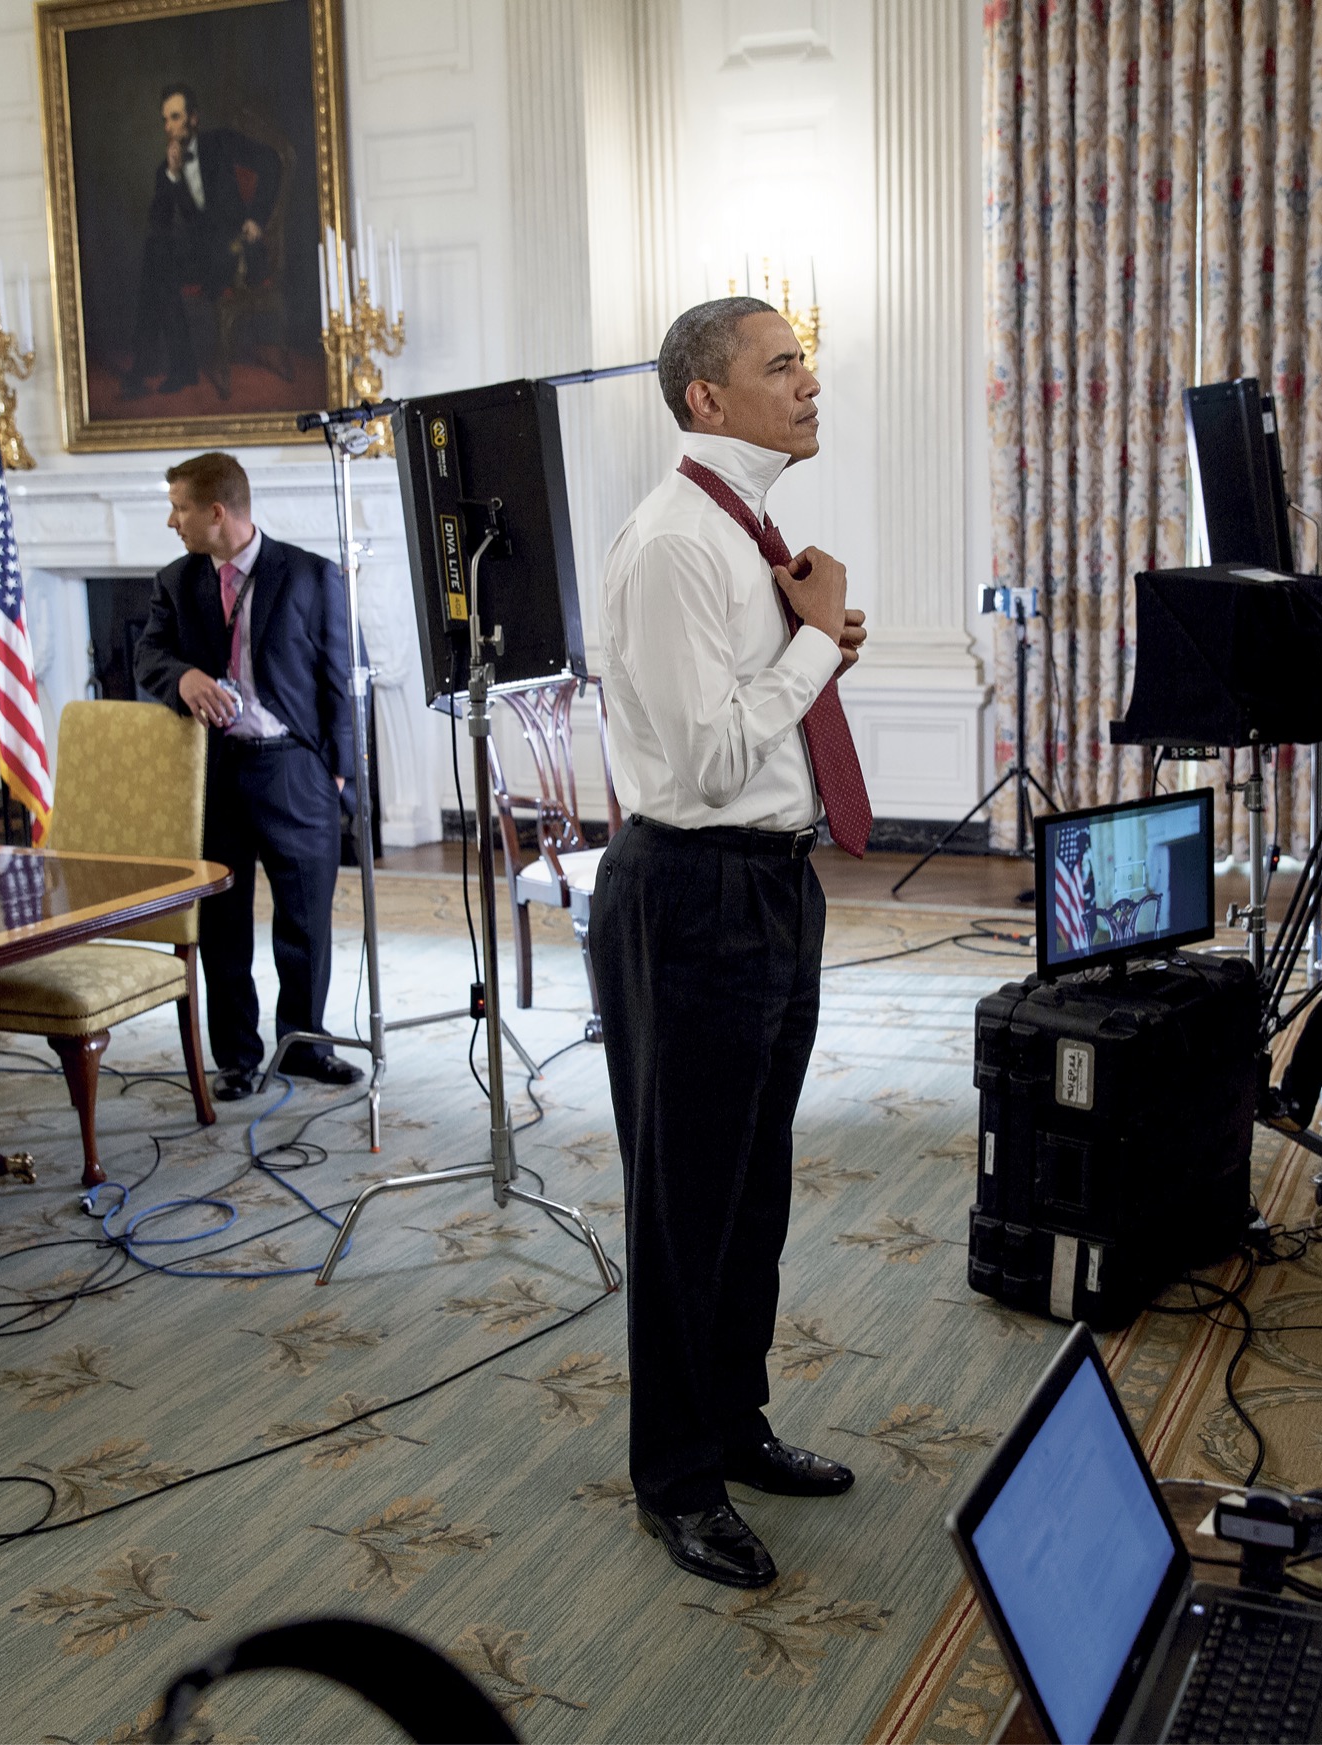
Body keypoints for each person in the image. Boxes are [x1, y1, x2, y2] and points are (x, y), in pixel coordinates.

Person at [590, 298, 872, 1588]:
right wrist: (819, 641)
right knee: (684, 1201)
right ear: (705, 399)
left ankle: (735, 1424)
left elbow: (750, 719)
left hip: (770, 884)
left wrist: (812, 638)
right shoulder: (672, 547)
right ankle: (675, 1479)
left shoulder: (746, 533)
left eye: (802, 361)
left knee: (753, 1186)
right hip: (688, 891)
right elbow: (706, 756)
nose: (807, 382)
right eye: (780, 365)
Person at [133, 452, 362, 1101]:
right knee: (222, 924)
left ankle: (305, 1046)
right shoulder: (175, 582)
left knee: (305, 920)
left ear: (215, 511)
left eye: (178, 507)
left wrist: (341, 774)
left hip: (294, 768)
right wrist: (181, 676)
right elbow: (148, 652)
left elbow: (346, 677)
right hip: (215, 772)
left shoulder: (312, 575)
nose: (170, 520)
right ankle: (236, 1057)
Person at [125, 83, 283, 398]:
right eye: (165, 120)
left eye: (175, 117)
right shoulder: (165, 169)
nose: (168, 127)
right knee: (157, 256)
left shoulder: (221, 143)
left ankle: (160, 368)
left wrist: (256, 217)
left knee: (158, 264)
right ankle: (177, 368)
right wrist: (171, 173)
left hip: (236, 250)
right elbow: (158, 223)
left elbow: (272, 161)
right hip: (203, 255)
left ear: (193, 119)